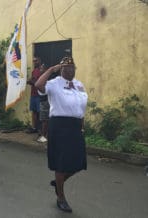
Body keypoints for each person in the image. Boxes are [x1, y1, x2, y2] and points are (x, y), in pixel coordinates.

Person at [35, 56, 88, 213]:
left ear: (75, 70)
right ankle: (61, 197)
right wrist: (51, 70)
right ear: (61, 69)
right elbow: (38, 84)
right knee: (61, 163)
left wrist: (82, 125)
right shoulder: (54, 83)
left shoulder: (79, 85)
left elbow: (80, 107)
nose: (69, 70)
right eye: (65, 68)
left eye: (72, 68)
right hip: (59, 126)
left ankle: (58, 182)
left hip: (75, 126)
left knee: (79, 162)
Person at [37, 63, 60, 143]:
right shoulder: (45, 78)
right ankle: (46, 135)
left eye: (42, 68)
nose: (40, 70)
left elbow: (39, 86)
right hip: (44, 100)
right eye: (40, 68)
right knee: (45, 120)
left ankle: (44, 136)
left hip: (45, 101)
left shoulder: (47, 79)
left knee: (44, 120)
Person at [26, 56, 42, 133]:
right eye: (34, 61)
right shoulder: (34, 71)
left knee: (40, 112)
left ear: (39, 61)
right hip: (33, 94)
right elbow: (33, 81)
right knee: (34, 111)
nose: (34, 62)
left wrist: (29, 81)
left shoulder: (41, 71)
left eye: (36, 61)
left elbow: (36, 82)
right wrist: (29, 81)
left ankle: (40, 129)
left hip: (39, 95)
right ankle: (34, 127)